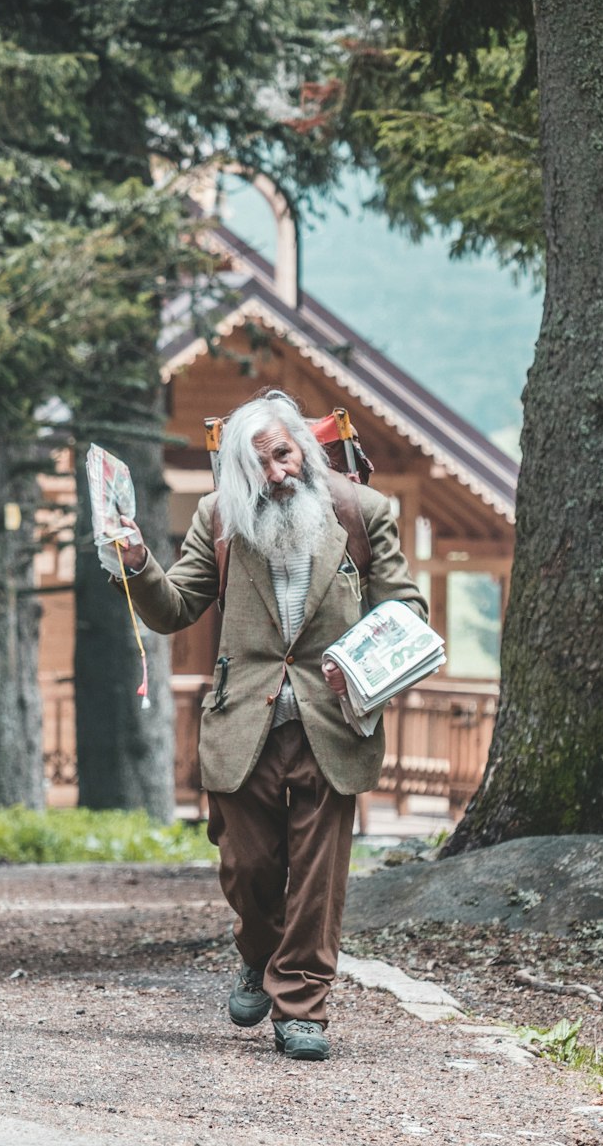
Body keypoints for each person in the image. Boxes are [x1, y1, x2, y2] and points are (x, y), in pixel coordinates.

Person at [100, 390, 426, 1061]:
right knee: (248, 867)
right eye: (261, 465)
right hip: (241, 718)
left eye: (284, 455)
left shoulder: (363, 512)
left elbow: (406, 609)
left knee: (318, 875)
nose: (278, 474)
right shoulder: (220, 518)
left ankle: (302, 1006)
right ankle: (258, 952)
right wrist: (136, 565)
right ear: (239, 474)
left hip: (335, 719)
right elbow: (176, 607)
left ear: (302, 448)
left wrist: (363, 665)